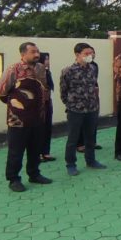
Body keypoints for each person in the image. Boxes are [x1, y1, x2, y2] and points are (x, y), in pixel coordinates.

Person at [0, 42, 53, 192]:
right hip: (18, 119)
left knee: (35, 149)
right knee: (16, 151)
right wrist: (17, 105)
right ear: (23, 54)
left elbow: (44, 89)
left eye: (37, 51)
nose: (37, 54)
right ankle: (14, 179)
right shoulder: (13, 69)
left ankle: (34, 174)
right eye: (33, 52)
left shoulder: (41, 69)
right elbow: (1, 92)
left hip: (38, 117)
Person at [60, 43, 107, 175]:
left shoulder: (92, 68)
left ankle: (91, 160)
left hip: (92, 109)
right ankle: (71, 164)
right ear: (77, 54)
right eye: (86, 54)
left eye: (91, 53)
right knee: (73, 138)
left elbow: (94, 86)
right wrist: (71, 104)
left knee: (90, 137)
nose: (90, 56)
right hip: (75, 110)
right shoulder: (68, 71)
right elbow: (63, 91)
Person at [76, 46, 101, 152]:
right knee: (81, 123)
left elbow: (94, 81)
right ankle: (80, 144)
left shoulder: (94, 66)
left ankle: (92, 142)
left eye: (92, 53)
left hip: (93, 97)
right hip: (80, 100)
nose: (91, 55)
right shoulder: (73, 69)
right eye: (88, 53)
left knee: (93, 120)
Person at [38, 52, 56, 162]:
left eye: (48, 59)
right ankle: (38, 153)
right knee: (39, 129)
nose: (48, 61)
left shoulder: (48, 72)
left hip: (48, 102)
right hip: (39, 105)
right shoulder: (36, 72)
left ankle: (45, 152)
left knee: (47, 128)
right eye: (45, 59)